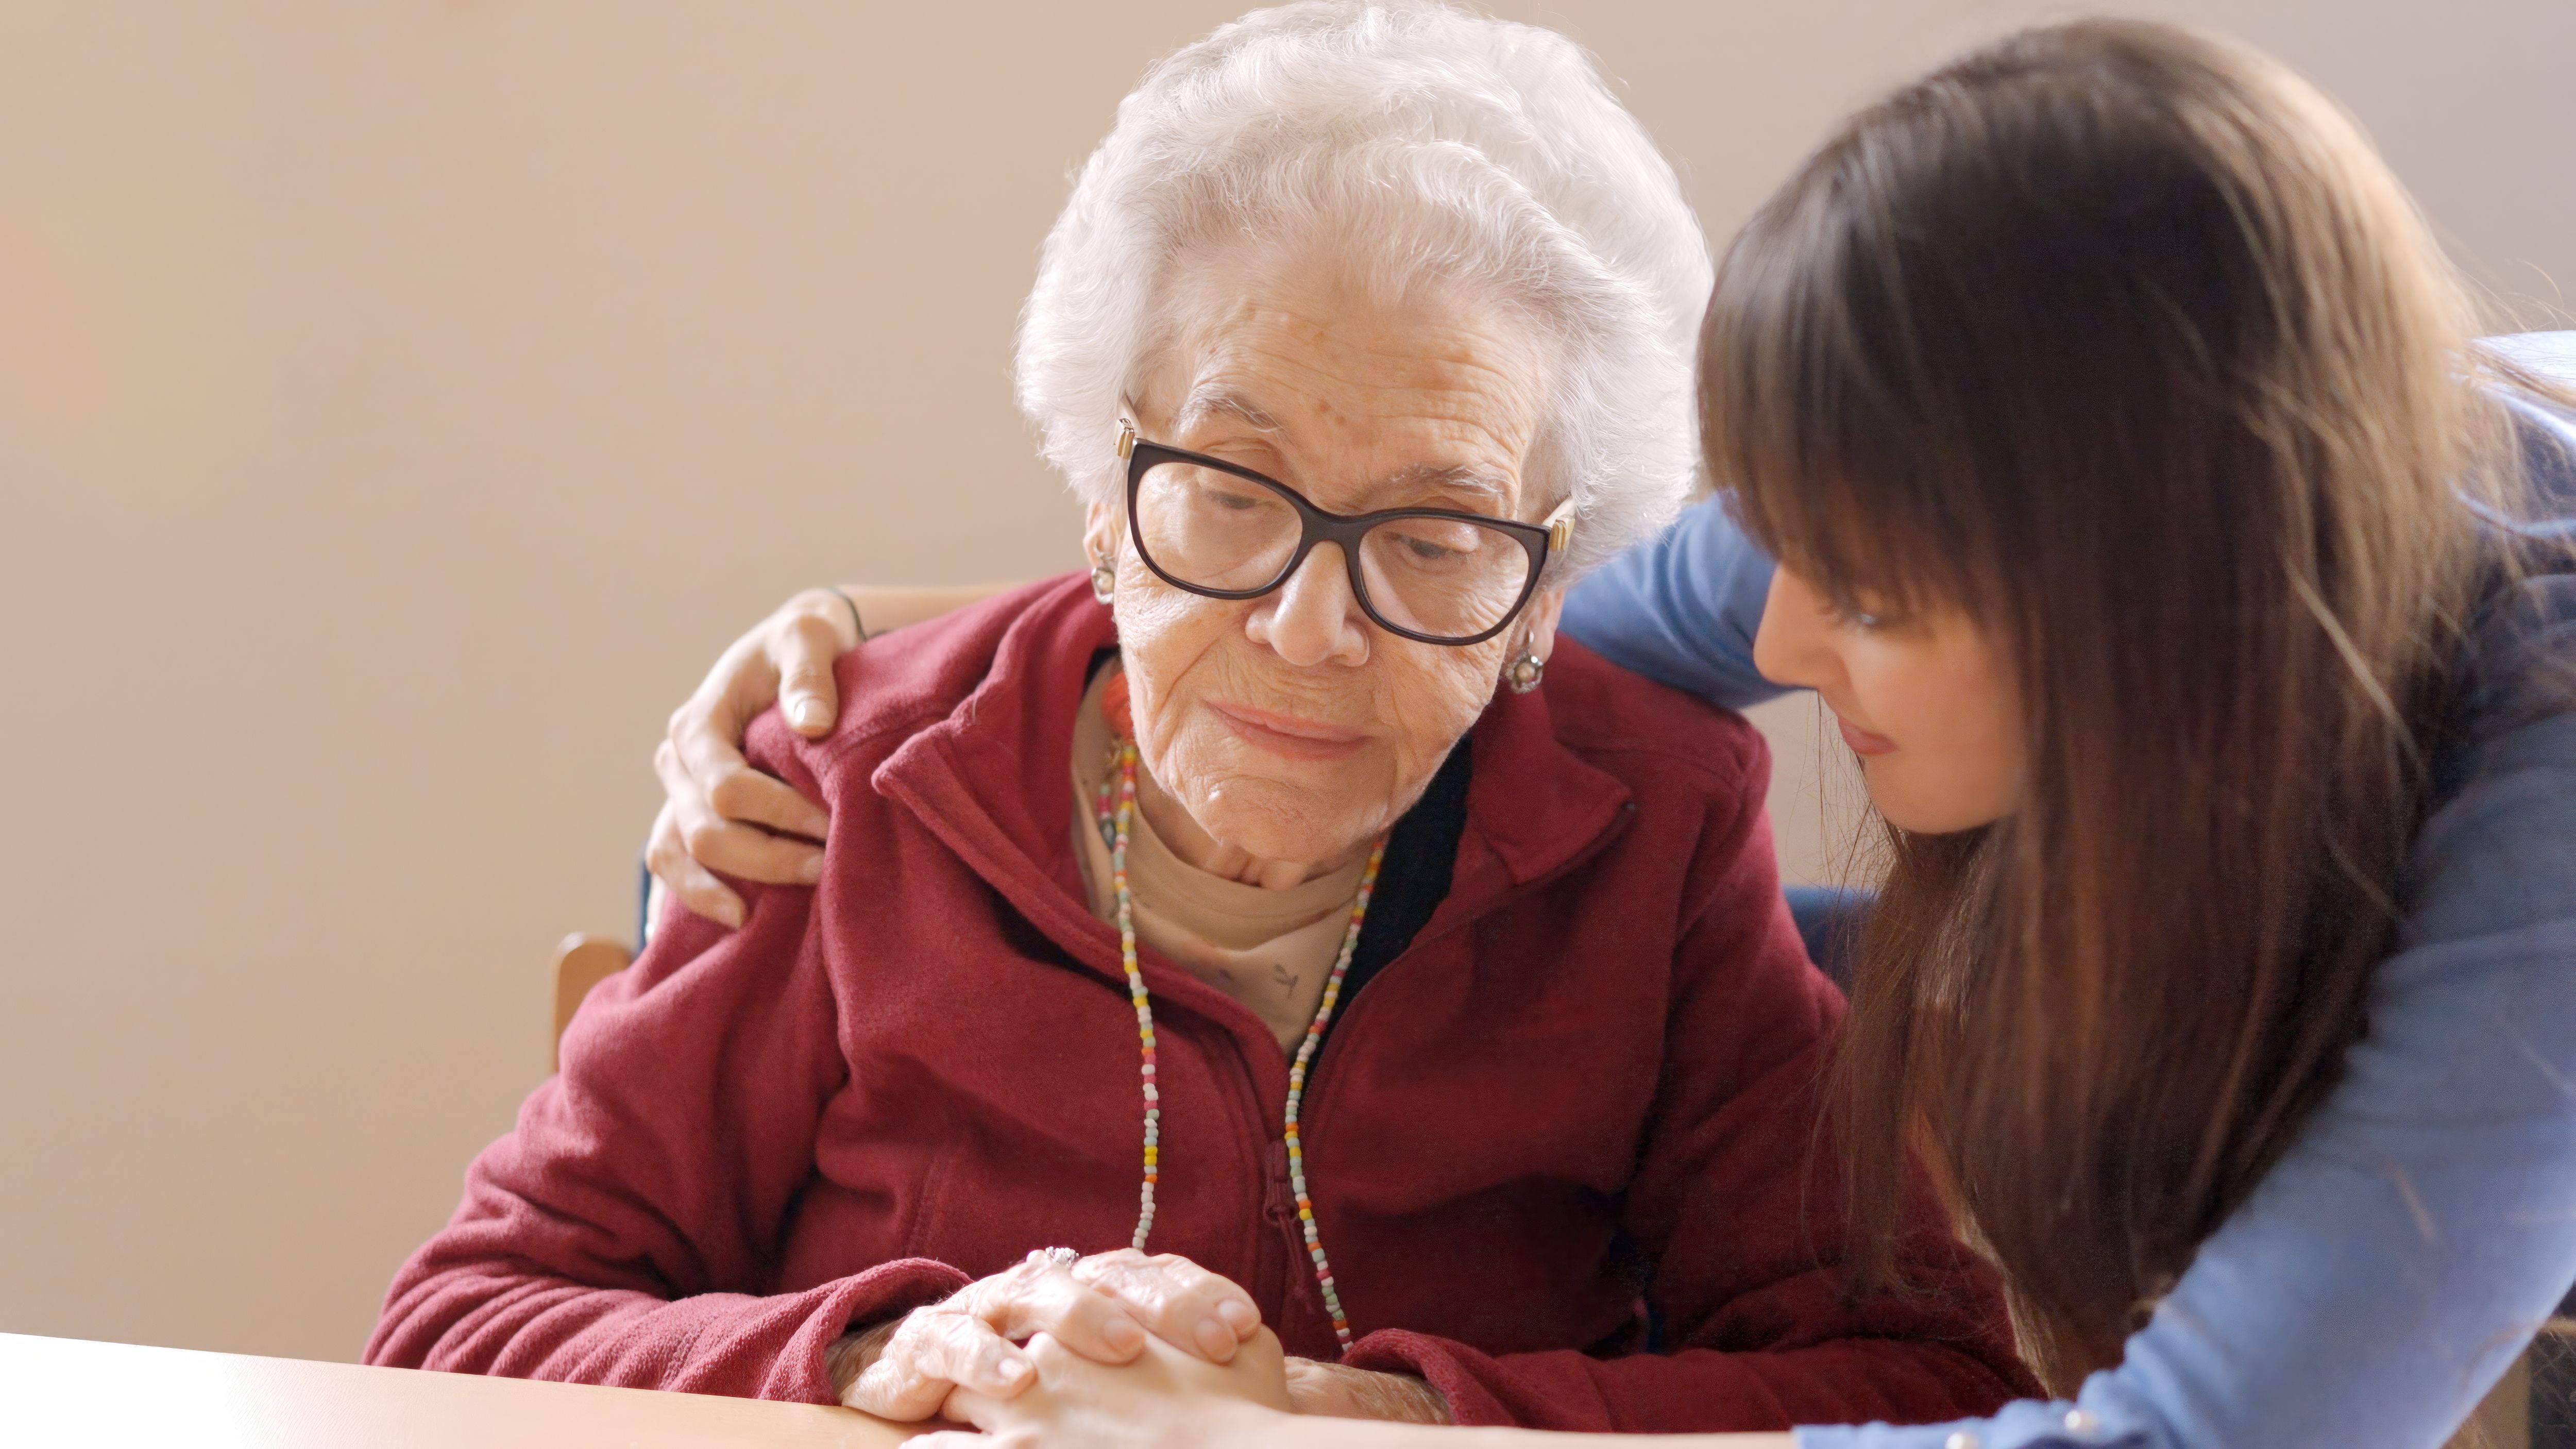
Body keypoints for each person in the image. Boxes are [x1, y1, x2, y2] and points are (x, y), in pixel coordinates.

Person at [656, 18, 2576, 1449]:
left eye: (1878, 593)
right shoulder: (2076, 489)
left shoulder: (2546, 801)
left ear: (2161, 602)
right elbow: (1468, 617)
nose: (1787, 630)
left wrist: (1322, 1428)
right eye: (1793, 544)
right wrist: (867, 657)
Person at [367, 2, 2032, 1437]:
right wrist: (882, 1354)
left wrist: (1357, 1412)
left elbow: (1911, 1381)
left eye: (1437, 533)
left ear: (1543, 592)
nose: (1310, 631)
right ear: (1108, 492)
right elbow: (458, 1325)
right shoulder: (844, 783)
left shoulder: (1656, 824)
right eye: (1229, 493)